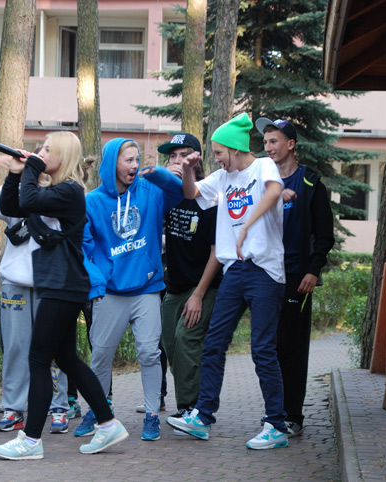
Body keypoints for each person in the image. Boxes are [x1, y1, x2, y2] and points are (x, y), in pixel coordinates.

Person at [0, 132, 128, 460]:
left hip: (63, 285)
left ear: (63, 156)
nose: (40, 153)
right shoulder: (52, 191)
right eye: (40, 149)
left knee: (38, 359)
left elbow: (28, 200)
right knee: (65, 358)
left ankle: (31, 440)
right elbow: (12, 205)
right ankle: (108, 424)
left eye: (47, 150)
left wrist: (30, 167)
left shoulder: (69, 191)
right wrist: (15, 173)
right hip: (59, 284)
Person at [166, 113, 289, 450]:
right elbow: (191, 193)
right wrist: (188, 169)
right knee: (213, 343)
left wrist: (248, 224)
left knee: (262, 349)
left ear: (235, 149)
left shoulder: (263, 167)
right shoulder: (223, 178)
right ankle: (202, 417)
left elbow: (275, 191)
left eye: (220, 153)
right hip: (234, 270)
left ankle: (276, 425)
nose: (217, 159)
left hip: (264, 271)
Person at [78, 138, 184, 442]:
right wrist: (98, 281)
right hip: (111, 291)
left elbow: (180, 193)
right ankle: (98, 411)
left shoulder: (150, 191)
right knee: (100, 355)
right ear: (113, 163)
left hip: (147, 287)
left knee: (150, 353)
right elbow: (83, 247)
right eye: (128, 160)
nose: (134, 165)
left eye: (137, 159)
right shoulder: (92, 201)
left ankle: (152, 414)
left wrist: (162, 175)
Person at [0, 150, 71, 434]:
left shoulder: (61, 193)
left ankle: (59, 407)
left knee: (52, 347)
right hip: (15, 282)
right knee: (15, 346)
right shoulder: (13, 193)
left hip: (49, 282)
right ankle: (14, 408)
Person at [255, 117, 335, 437]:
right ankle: (274, 413)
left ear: (290, 144)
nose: (268, 147)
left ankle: (292, 416)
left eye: (274, 141)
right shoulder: (262, 181)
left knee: (292, 348)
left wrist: (313, 270)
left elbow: (325, 234)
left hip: (295, 277)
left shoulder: (311, 183)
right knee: (267, 348)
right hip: (265, 276)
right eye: (265, 142)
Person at [154, 134, 221, 429]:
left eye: (184, 155)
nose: (177, 161)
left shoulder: (209, 196)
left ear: (196, 160)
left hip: (204, 285)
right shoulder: (166, 196)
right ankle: (188, 407)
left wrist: (198, 295)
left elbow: (217, 252)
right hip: (174, 285)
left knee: (186, 341)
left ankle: (193, 409)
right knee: (170, 345)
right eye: (172, 156)